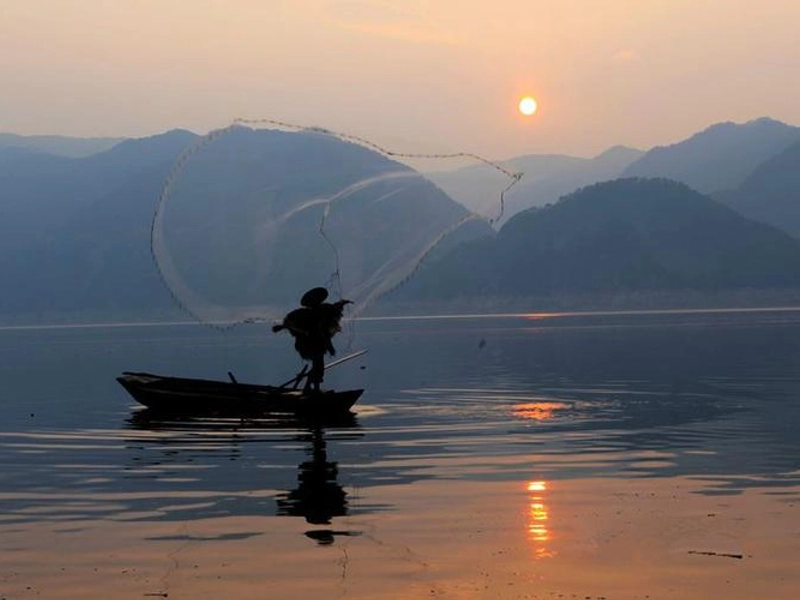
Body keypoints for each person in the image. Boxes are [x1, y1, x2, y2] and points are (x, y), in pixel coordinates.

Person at [272, 287, 351, 392]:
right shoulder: (304, 313)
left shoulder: (321, 310)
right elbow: (291, 323)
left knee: (318, 364)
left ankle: (310, 387)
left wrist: (341, 303)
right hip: (309, 345)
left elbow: (333, 310)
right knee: (318, 365)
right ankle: (312, 388)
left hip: (316, 343)